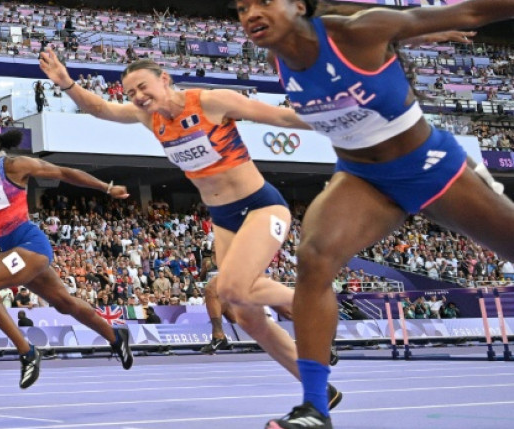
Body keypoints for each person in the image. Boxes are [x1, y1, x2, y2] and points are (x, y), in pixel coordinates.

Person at [234, 0, 514, 429]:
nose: (251, 14)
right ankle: (314, 408)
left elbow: (468, 11)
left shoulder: (358, 32)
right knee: (315, 258)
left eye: (263, 1)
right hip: (362, 178)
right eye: (241, 8)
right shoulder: (280, 62)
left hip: (431, 168)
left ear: (298, 5)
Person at [39, 51, 343, 409]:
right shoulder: (149, 118)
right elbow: (101, 109)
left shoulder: (212, 102)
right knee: (244, 313)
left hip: (261, 206)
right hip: (223, 216)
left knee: (230, 287)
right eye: (130, 92)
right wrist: (68, 84)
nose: (137, 96)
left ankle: (312, 306)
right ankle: (316, 386)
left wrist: (339, 123)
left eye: (142, 86)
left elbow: (279, 115)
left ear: (164, 78)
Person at [0, 128, 133, 389]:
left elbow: (63, 173)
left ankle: (27, 352)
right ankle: (116, 336)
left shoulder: (14, 166)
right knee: (64, 303)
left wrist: (106, 188)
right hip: (11, 249)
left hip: (30, 244)